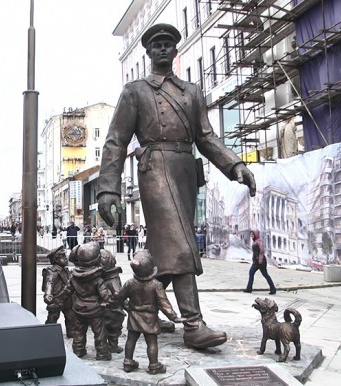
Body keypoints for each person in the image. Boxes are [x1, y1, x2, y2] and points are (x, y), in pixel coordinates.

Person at [97, 23, 257, 350]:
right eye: (156, 44)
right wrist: (108, 187)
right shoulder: (135, 90)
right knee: (181, 241)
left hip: (185, 170)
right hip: (154, 166)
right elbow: (115, 141)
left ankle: (133, 306)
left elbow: (207, 138)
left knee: (166, 251)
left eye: (168, 44)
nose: (162, 49)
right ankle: (193, 325)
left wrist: (235, 164)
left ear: (175, 50)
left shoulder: (192, 91)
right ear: (148, 51)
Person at [112, 250, 184, 374]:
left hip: (134, 315)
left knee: (131, 340)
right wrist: (173, 317)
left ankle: (128, 362)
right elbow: (163, 303)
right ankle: (154, 365)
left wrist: (116, 297)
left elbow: (119, 297)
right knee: (151, 342)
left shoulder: (130, 283)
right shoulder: (156, 285)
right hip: (150, 318)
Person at [62, 242, 112, 361]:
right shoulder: (97, 279)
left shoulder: (74, 277)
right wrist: (109, 301)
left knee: (79, 332)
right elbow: (105, 295)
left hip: (79, 309)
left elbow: (66, 291)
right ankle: (102, 353)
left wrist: (58, 300)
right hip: (95, 310)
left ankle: (78, 350)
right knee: (100, 333)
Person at [42, 245, 76, 338]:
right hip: (57, 299)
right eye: (63, 256)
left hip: (67, 298)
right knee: (53, 317)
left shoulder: (65, 270)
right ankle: (47, 333)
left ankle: (71, 332)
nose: (66, 258)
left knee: (71, 317)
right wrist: (48, 294)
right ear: (56, 259)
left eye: (65, 256)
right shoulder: (52, 271)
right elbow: (49, 283)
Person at [99, 249, 125, 354]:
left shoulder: (98, 277)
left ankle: (104, 346)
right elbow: (119, 294)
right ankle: (112, 346)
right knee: (114, 329)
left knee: (103, 328)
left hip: (104, 307)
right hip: (114, 309)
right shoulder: (114, 278)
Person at [244, 229, 276, 294]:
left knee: (263, 274)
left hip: (260, 262)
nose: (251, 235)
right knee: (253, 273)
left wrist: (260, 260)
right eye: (251, 234)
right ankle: (273, 289)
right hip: (257, 261)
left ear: (256, 234)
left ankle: (249, 289)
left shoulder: (259, 242)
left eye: (253, 234)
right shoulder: (256, 241)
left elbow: (261, 251)